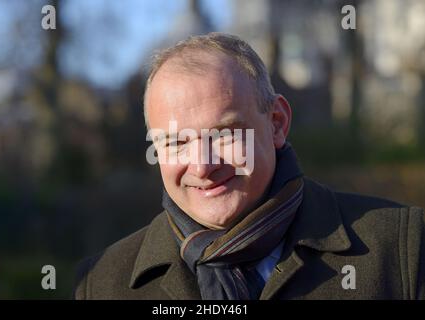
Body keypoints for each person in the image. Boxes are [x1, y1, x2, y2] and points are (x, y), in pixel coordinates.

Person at [74, 32, 425, 300]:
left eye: (224, 134)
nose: (202, 165)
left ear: (276, 122)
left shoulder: (400, 249)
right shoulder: (103, 282)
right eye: (176, 142)